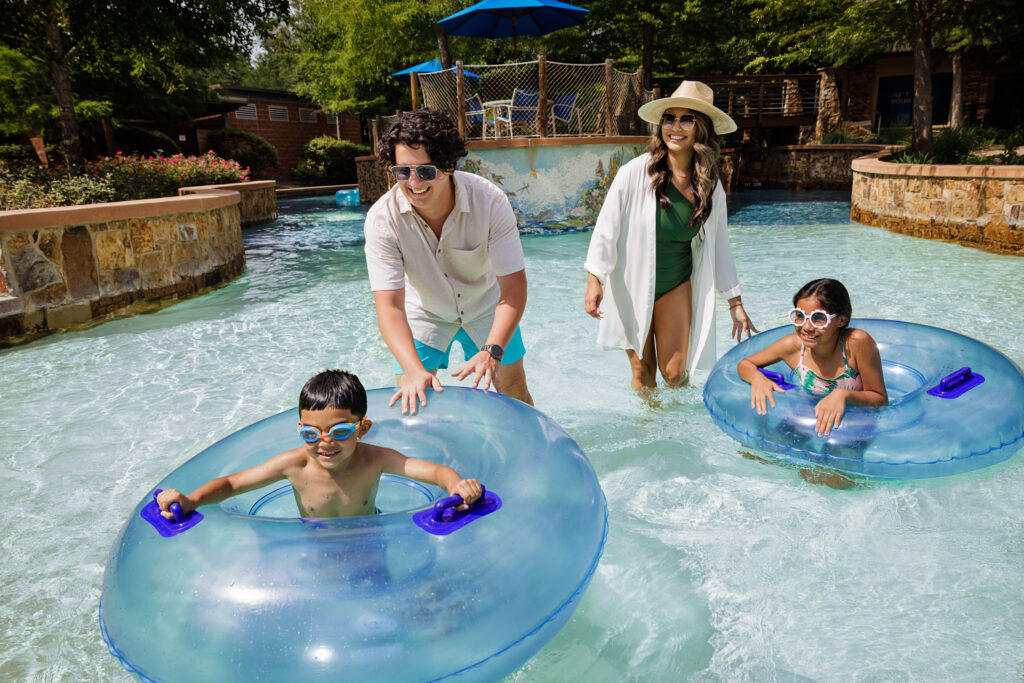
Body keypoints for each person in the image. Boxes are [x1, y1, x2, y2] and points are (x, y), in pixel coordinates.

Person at [583, 80, 757, 393]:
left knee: (675, 373)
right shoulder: (634, 173)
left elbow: (720, 246)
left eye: (686, 119)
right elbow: (607, 228)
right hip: (630, 283)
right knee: (643, 373)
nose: (675, 127)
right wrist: (595, 280)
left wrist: (735, 301)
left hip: (676, 281)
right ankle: (650, 423)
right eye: (669, 119)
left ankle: (680, 420)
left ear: (701, 128)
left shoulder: (710, 186)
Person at [365, 108, 533, 415]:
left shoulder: (490, 201)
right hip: (425, 313)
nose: (413, 182)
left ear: (448, 166)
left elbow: (513, 287)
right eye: (402, 172)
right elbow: (389, 307)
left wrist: (492, 350)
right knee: (413, 403)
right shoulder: (382, 219)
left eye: (425, 172)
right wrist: (414, 371)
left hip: (486, 307)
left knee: (515, 394)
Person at [156, 369, 482, 519]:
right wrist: (192, 500)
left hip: (370, 537)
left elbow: (434, 471)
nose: (325, 443)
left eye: (339, 432)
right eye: (311, 434)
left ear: (363, 428)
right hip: (314, 545)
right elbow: (232, 484)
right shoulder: (293, 465)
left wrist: (457, 486)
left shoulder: (376, 459)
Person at [737, 279, 888, 438]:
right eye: (800, 316)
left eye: (819, 318)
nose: (807, 327)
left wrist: (843, 394)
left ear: (841, 320)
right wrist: (757, 379)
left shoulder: (856, 343)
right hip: (810, 416)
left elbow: (880, 399)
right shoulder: (793, 347)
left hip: (853, 423)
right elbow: (745, 364)